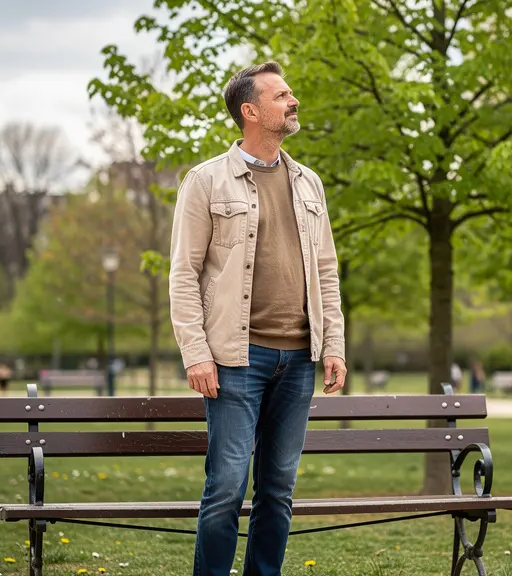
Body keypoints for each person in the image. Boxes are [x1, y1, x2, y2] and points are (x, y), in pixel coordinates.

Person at [168, 61, 347, 576]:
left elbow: (327, 271)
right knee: (226, 488)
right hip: (235, 359)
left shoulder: (309, 183)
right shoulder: (205, 181)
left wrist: (333, 343)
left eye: (290, 93)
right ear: (250, 110)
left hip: (299, 359)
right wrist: (196, 354)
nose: (294, 101)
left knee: (278, 489)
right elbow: (184, 274)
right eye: (281, 95)